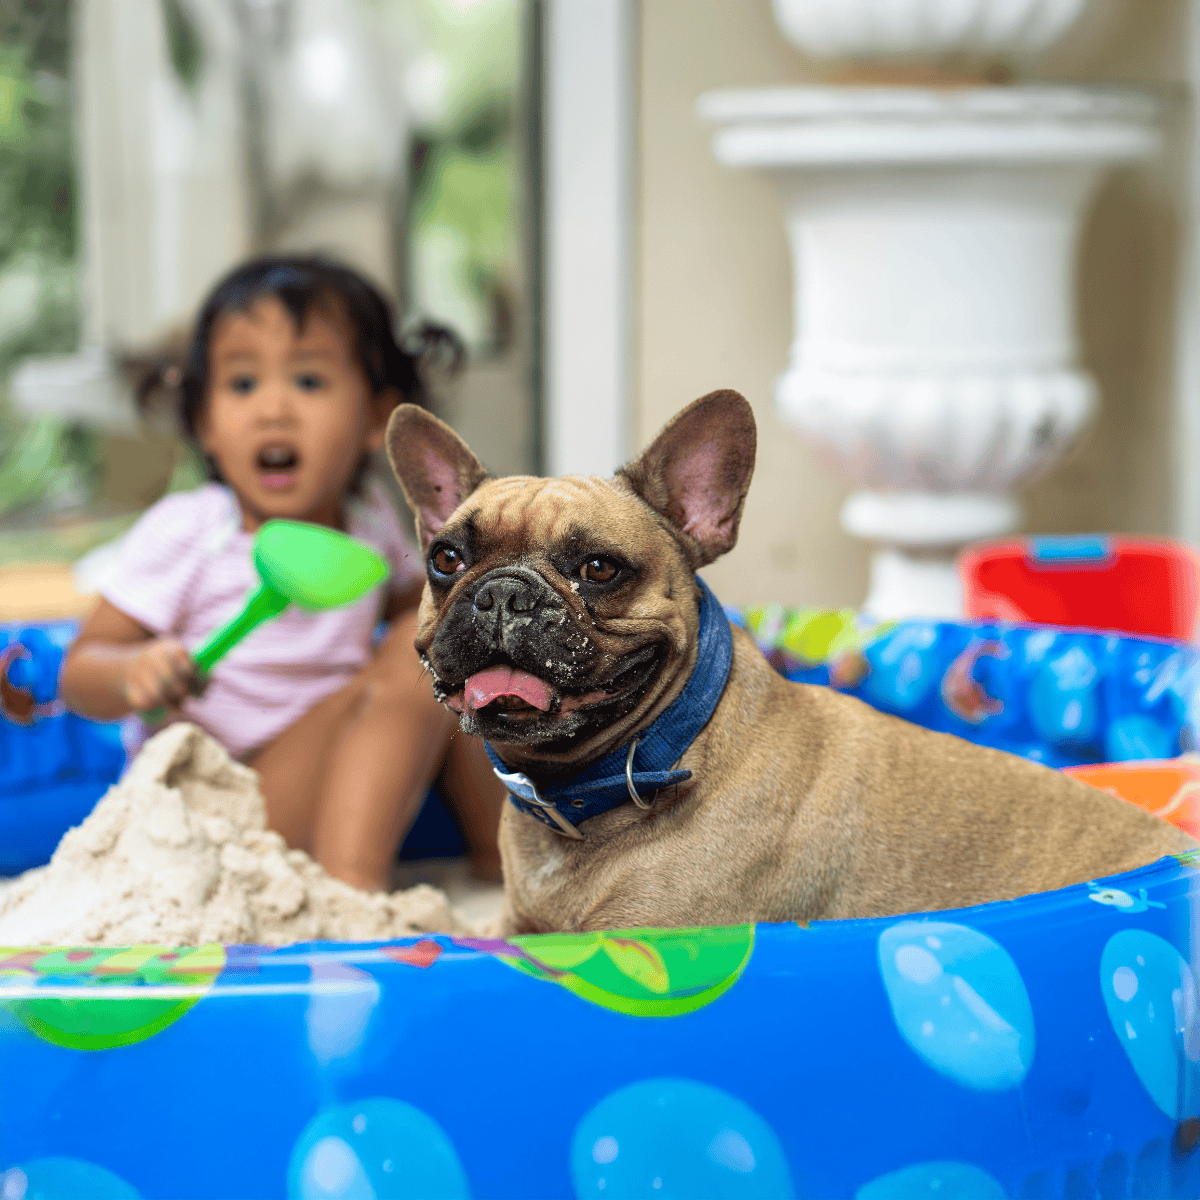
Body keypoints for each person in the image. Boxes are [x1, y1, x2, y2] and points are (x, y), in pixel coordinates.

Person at [60, 255, 505, 890]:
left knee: (450, 648)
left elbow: (417, 605)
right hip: (217, 810)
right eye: (242, 385)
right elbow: (78, 671)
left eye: (308, 382)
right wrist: (132, 671)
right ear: (204, 421)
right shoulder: (195, 530)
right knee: (421, 661)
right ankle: (352, 896)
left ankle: (505, 863)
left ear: (378, 417)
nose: (274, 411)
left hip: (329, 783)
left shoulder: (371, 523)